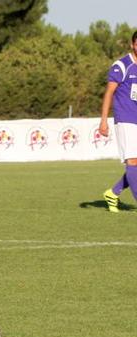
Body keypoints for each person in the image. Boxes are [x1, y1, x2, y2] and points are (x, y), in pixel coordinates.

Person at [99, 30, 137, 212]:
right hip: (125, 119)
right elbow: (109, 93)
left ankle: (113, 193)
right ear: (133, 45)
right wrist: (104, 121)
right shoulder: (122, 65)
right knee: (133, 162)